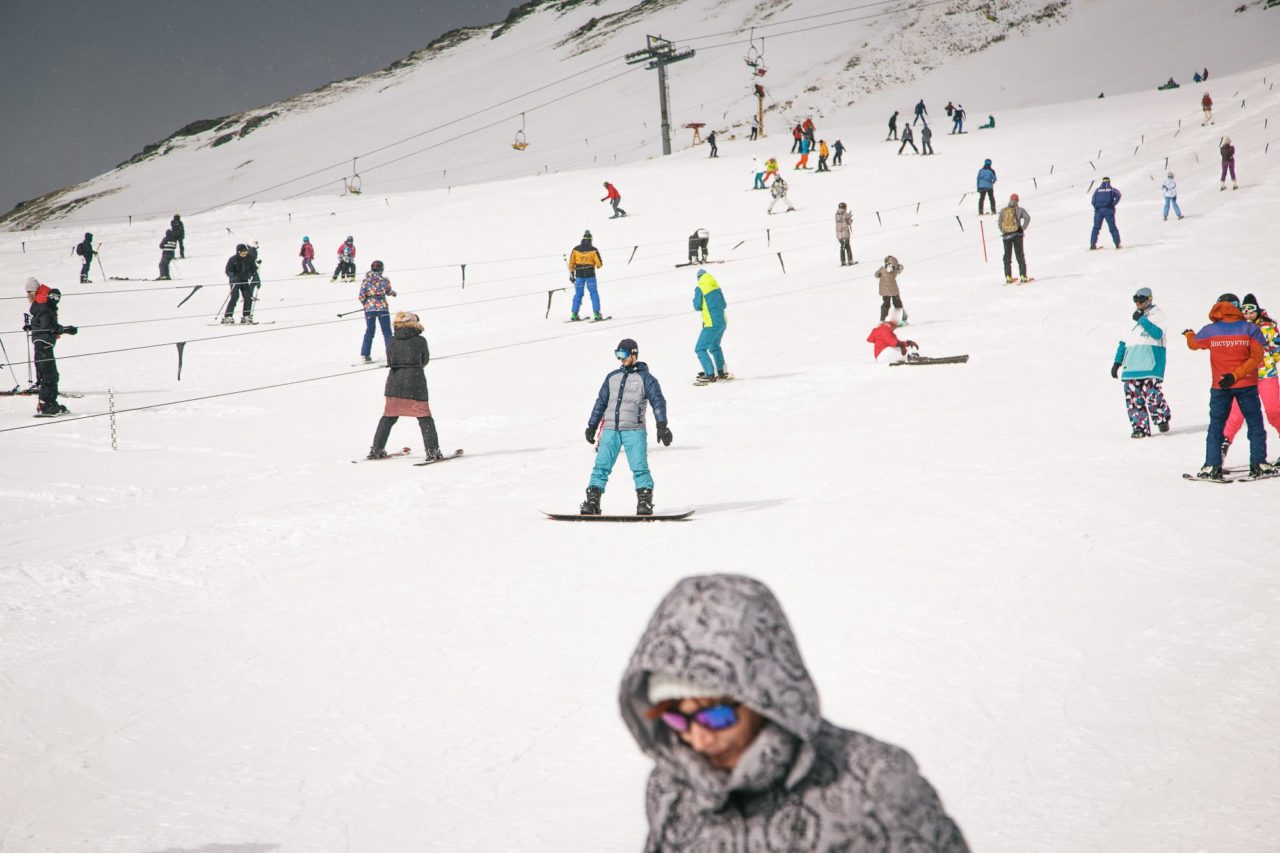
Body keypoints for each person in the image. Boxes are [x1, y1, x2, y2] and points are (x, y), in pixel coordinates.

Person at [620, 574, 969, 852]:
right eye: (676, 717)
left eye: (716, 715)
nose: (698, 737)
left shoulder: (874, 785)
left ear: (763, 696)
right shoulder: (672, 789)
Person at [1184, 293, 1271, 479]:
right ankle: (1259, 463)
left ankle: (1212, 466)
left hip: (1219, 386)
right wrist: (1236, 376)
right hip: (1246, 383)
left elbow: (1193, 344)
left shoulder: (1210, 330)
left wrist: (1189, 334)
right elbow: (1257, 357)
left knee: (1216, 426)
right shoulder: (1250, 328)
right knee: (1255, 424)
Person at [580, 338, 670, 516]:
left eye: (623, 354)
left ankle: (644, 501)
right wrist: (592, 425)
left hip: (634, 430)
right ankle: (592, 501)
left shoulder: (646, 379)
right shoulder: (612, 377)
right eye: (617, 354)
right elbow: (601, 402)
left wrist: (662, 425)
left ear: (634, 354)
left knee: (639, 467)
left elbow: (658, 401)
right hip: (610, 430)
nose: (620, 359)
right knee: (601, 465)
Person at [366, 312, 446, 462]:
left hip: (394, 383)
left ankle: (376, 448)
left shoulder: (391, 341)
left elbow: (390, 360)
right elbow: (424, 360)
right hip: (415, 384)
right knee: (424, 418)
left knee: (389, 416)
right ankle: (432, 450)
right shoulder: (420, 340)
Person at [1223, 294, 1280, 461]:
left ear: (1257, 310)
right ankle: (1220, 450)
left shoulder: (1268, 327)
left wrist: (1267, 359)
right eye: (1245, 311)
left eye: (1251, 311)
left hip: (1266, 375)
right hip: (1245, 378)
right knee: (1235, 414)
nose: (1248, 315)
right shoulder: (1238, 328)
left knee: (1273, 410)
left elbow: (1277, 351)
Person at [1112, 287, 1172, 438]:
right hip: (1131, 366)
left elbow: (1157, 334)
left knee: (1152, 395)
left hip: (1150, 364)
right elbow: (1123, 342)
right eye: (1136, 300)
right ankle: (1140, 428)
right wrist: (1117, 362)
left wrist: (1142, 319)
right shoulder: (1133, 320)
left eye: (1141, 299)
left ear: (1149, 299)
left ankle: (1161, 417)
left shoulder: (1157, 315)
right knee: (1133, 399)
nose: (1138, 303)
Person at [26, 286, 78, 416]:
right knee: (50, 375)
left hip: (43, 345)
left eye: (57, 297)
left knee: (51, 375)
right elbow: (48, 327)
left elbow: (41, 324)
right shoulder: (46, 310)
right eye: (52, 296)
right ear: (47, 296)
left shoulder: (44, 308)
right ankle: (45, 404)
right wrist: (66, 329)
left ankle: (50, 402)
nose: (55, 299)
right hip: (44, 345)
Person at [692, 269, 729, 385]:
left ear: (699, 278)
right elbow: (724, 304)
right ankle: (722, 371)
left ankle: (710, 374)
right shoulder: (716, 286)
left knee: (700, 348)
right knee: (714, 346)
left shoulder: (700, 287)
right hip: (722, 322)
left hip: (711, 323)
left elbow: (697, 306)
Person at [357, 260, 396, 363]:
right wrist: (392, 293)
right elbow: (388, 291)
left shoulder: (366, 281)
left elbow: (361, 296)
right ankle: (391, 355)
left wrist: (367, 304)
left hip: (369, 309)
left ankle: (365, 355)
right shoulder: (384, 280)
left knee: (369, 331)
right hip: (382, 308)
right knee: (387, 332)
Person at [568, 230, 604, 321]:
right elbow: (599, 264)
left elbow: (571, 263)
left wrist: (572, 274)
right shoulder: (593, 249)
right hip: (590, 275)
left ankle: (574, 314)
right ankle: (596, 313)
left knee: (578, 294)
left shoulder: (575, 249)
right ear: (591, 239)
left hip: (579, 275)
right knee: (593, 293)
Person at [998, 193, 1031, 284]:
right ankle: (1023, 276)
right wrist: (1022, 228)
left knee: (1007, 256)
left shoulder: (1003, 210)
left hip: (1006, 237)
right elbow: (1027, 218)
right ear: (1017, 200)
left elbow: (1000, 223)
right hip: (1017, 236)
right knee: (1020, 255)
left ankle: (1008, 277)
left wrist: (1004, 231)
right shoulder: (1020, 209)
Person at [223, 244, 257, 323]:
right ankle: (228, 316)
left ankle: (246, 316)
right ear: (238, 252)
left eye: (245, 253)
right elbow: (228, 270)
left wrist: (254, 272)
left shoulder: (250, 258)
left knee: (248, 297)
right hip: (235, 281)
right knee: (235, 297)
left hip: (244, 280)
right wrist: (232, 276)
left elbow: (253, 269)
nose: (244, 255)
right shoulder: (233, 259)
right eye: (242, 253)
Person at [1090, 177, 1122, 250]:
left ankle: (1092, 244)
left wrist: (1096, 206)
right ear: (1109, 181)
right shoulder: (1111, 189)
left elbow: (1093, 200)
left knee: (1096, 228)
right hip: (1108, 210)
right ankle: (1117, 244)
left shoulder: (1097, 190)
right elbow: (1119, 195)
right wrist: (1113, 203)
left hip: (1098, 211)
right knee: (1112, 228)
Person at [875, 254, 908, 324]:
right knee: (898, 303)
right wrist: (900, 267)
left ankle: (883, 319)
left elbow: (876, 275)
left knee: (886, 304)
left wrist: (879, 275)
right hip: (893, 290)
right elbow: (900, 269)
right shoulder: (895, 269)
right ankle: (902, 319)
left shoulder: (882, 268)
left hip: (885, 291)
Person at [835, 202, 853, 266]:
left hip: (839, 235)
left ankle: (843, 261)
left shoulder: (836, 214)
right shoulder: (845, 214)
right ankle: (850, 260)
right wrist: (850, 218)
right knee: (848, 247)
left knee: (842, 247)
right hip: (845, 234)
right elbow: (849, 222)